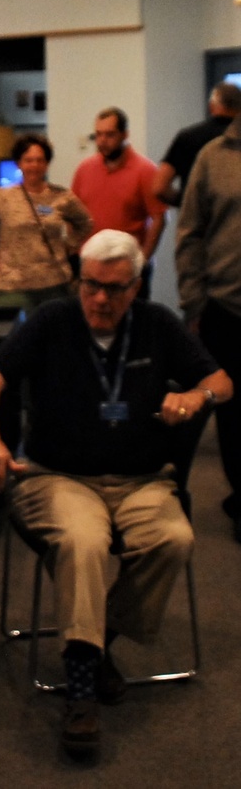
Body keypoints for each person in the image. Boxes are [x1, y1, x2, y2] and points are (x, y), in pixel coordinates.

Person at [0, 229, 232, 755]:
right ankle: (83, 684)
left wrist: (196, 394)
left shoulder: (157, 325)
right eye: (90, 286)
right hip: (58, 476)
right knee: (83, 540)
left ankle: (92, 645)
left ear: (136, 286)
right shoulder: (52, 321)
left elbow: (223, 380)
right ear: (79, 280)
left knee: (174, 539)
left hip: (142, 479)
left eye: (114, 289)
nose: (100, 300)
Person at [175, 112, 241, 537]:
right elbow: (189, 234)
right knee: (234, 414)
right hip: (226, 306)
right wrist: (194, 302)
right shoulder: (213, 157)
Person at [0, 133, 93, 312]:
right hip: (14, 285)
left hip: (55, 282)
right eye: (28, 160)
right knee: (15, 335)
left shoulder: (61, 197)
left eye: (40, 160)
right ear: (19, 163)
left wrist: (69, 246)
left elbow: (85, 222)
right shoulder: (3, 197)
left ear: (47, 164)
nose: (34, 165)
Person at [71, 107, 167, 298]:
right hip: (91, 267)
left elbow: (159, 218)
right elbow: (73, 214)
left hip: (128, 268)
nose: (102, 141)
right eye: (98, 135)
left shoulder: (145, 170)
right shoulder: (85, 169)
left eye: (109, 135)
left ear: (125, 135)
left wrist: (143, 260)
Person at [153, 81, 241, 207]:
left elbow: (159, 187)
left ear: (211, 106)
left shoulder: (187, 137)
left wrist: (186, 203)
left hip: (197, 223)